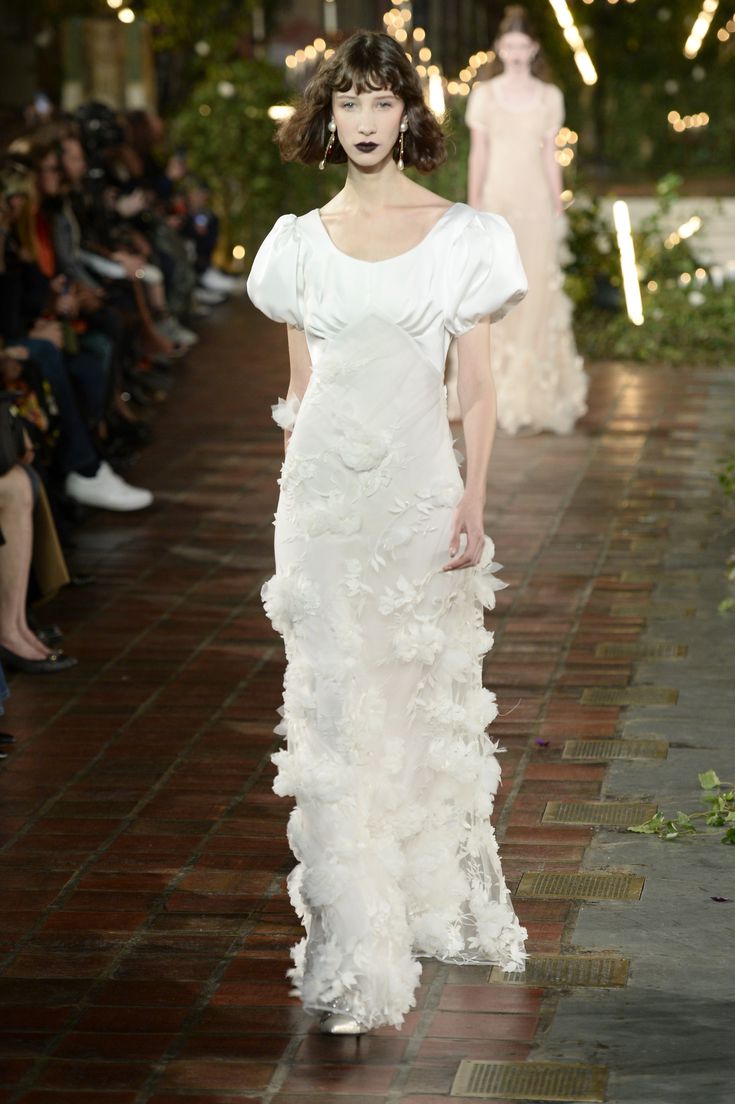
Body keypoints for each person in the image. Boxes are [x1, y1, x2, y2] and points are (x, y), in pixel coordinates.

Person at [247, 29, 528, 1037]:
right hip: (323, 505)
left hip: (417, 495)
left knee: (411, 701)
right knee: (332, 714)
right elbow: (299, 392)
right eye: (348, 102)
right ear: (325, 117)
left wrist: (475, 501)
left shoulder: (464, 237)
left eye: (381, 101)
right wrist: (290, 507)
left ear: (409, 114)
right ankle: (354, 953)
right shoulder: (296, 244)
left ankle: (423, 899)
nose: (364, 120)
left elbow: (476, 390)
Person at [464, 4, 587, 435]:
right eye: (509, 46)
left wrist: (557, 203)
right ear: (500, 48)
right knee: (496, 291)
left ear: (533, 49)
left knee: (536, 288)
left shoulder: (550, 97)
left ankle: (534, 391)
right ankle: (490, 390)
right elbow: (478, 153)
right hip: (497, 201)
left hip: (535, 203)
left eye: (522, 46)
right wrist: (474, 202)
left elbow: (552, 155)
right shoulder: (485, 95)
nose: (516, 53)